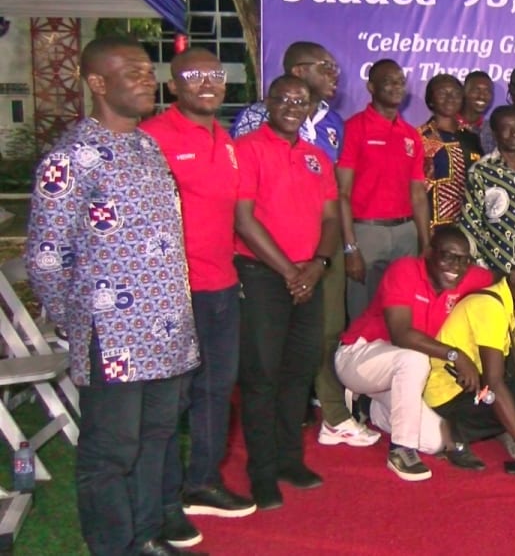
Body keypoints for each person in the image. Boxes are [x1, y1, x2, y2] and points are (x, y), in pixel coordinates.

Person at [26, 37, 200, 555]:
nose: (148, 80)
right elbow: (47, 258)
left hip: (168, 332)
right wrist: (80, 319)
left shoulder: (147, 146)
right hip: (115, 337)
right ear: (97, 83)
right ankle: (113, 546)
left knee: (156, 443)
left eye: (149, 70)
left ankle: (145, 537)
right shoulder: (71, 159)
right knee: (112, 453)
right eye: (134, 72)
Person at [141, 48, 254, 549]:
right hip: (172, 292)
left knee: (215, 389)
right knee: (173, 401)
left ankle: (202, 482)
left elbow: (230, 216)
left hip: (221, 287)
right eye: (195, 76)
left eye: (215, 76)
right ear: (174, 85)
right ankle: (163, 505)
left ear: (225, 85)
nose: (207, 83)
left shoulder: (225, 140)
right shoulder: (153, 140)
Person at [230, 41, 351, 451]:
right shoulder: (249, 135)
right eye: (284, 101)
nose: (293, 108)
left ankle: (290, 447)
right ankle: (262, 459)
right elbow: (244, 215)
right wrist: (291, 272)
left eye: (299, 104)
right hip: (264, 271)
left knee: (305, 356)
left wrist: (319, 262)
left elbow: (331, 211)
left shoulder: (325, 136)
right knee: (264, 366)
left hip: (312, 265)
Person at [334, 227, 494, 480]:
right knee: (414, 359)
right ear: (429, 253)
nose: (456, 266)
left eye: (464, 260)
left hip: (395, 375)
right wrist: (456, 355)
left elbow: (506, 284)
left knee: (437, 440)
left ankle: (369, 405)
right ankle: (401, 450)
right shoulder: (405, 271)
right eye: (448, 256)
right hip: (359, 357)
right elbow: (401, 335)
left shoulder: (466, 276)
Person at [424, 255, 515, 477]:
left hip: (475, 385)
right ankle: (456, 432)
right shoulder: (490, 306)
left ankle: (506, 425)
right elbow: (493, 383)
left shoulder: (511, 305)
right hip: (450, 395)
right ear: (514, 277)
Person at [337, 60, 429, 325]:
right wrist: (350, 246)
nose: (397, 87)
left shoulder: (411, 135)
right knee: (362, 312)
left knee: (402, 310)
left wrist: (425, 241)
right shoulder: (353, 128)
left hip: (405, 233)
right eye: (389, 81)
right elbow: (342, 193)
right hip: (366, 233)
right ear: (371, 87)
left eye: (401, 81)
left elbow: (418, 195)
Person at [460, 105, 515, 274]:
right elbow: (470, 224)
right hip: (494, 266)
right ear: (495, 134)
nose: (514, 133)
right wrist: (480, 266)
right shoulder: (481, 171)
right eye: (506, 129)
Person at [419, 74, 483, 230]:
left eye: (455, 93)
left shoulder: (472, 137)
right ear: (431, 100)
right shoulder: (421, 137)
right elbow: (416, 192)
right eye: (442, 93)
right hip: (434, 229)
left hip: (471, 226)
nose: (450, 98)